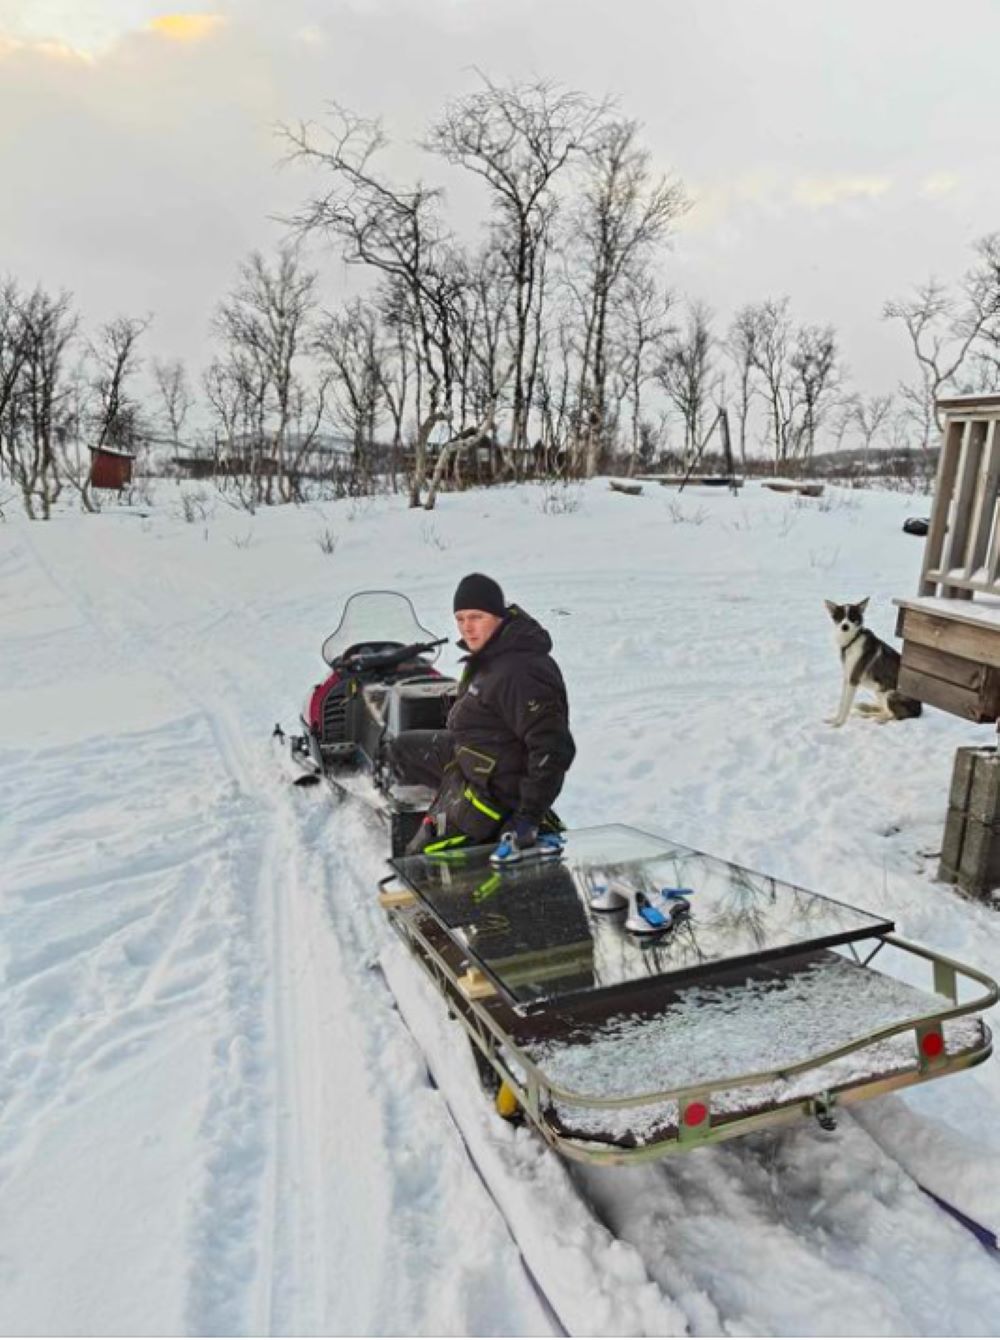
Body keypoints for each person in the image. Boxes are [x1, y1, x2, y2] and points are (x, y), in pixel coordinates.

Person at [389, 572, 576, 857]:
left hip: (493, 789)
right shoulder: (493, 656)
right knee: (402, 747)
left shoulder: (521, 670)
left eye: (476, 617)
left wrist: (528, 817)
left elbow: (552, 748)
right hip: (473, 758)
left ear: (499, 616)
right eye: (460, 619)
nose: (467, 628)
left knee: (421, 859)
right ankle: (409, 807)